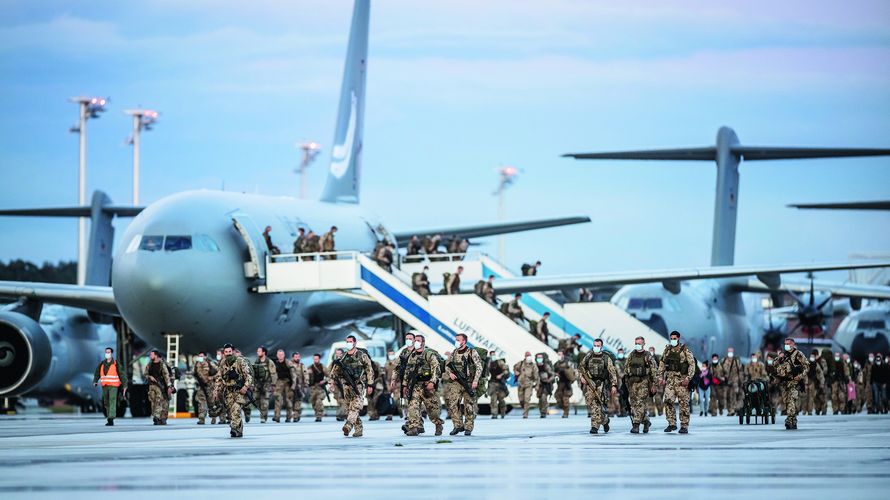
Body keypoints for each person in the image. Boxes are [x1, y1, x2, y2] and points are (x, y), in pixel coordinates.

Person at [328, 335, 374, 437]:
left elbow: (369, 370)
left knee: (356, 406)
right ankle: (359, 428)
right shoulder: (342, 357)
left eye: (350, 341)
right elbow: (334, 372)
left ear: (355, 343)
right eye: (347, 341)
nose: (349, 343)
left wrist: (370, 384)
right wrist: (331, 383)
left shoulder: (362, 356)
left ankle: (348, 425)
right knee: (349, 408)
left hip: (359, 386)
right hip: (346, 386)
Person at [402, 334, 445, 436]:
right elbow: (407, 371)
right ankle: (414, 428)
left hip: (427, 386)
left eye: (417, 340)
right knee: (413, 407)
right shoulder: (412, 355)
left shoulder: (429, 354)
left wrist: (432, 382)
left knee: (432, 410)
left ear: (423, 342)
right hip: (415, 386)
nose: (415, 342)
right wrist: (405, 385)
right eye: (415, 340)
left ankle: (438, 424)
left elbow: (436, 369)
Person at [657, 331, 695, 434]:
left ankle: (684, 425)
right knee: (668, 400)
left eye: (674, 338)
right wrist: (660, 377)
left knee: (684, 404)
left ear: (678, 338)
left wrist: (688, 378)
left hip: (682, 381)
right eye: (671, 338)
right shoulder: (667, 350)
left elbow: (692, 364)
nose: (673, 340)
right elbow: (662, 363)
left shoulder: (685, 350)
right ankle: (672, 423)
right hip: (670, 380)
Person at [444, 334, 483, 435]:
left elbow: (479, 366)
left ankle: (468, 427)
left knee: (469, 405)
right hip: (456, 382)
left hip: (469, 382)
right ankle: (458, 425)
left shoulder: (471, 352)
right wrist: (450, 373)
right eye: (456, 339)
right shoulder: (454, 352)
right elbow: (447, 365)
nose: (456, 341)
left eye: (458, 340)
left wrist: (475, 380)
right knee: (452, 404)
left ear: (464, 341)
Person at [578, 339, 618, 434]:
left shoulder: (606, 358)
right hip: (589, 384)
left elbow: (612, 372)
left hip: (601, 385)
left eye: (598, 345)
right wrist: (581, 377)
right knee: (592, 405)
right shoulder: (588, 356)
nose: (596, 347)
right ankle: (605, 421)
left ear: (601, 347)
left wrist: (614, 385)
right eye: (594, 345)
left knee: (597, 406)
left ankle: (594, 427)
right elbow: (581, 367)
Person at [214, 343, 254, 438]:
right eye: (226, 352)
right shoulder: (223, 363)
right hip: (228, 391)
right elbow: (219, 378)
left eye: (230, 351)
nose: (228, 353)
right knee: (231, 412)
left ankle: (234, 429)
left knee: (236, 410)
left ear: (233, 352)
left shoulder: (240, 361)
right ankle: (239, 431)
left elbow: (248, 376)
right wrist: (216, 390)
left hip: (239, 390)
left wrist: (245, 387)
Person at [773, 338, 809, 430]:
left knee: (791, 401)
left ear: (793, 344)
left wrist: (800, 376)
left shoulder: (798, 354)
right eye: (785, 344)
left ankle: (789, 420)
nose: (786, 345)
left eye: (788, 344)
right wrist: (779, 358)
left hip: (794, 382)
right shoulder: (783, 354)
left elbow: (807, 366)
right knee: (787, 402)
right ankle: (793, 421)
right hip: (784, 383)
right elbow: (774, 364)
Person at [625, 337, 658, 433]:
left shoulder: (647, 356)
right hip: (632, 383)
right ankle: (646, 421)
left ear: (644, 344)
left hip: (643, 382)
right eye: (636, 343)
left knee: (640, 403)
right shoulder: (632, 355)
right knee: (634, 405)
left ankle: (636, 425)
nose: (637, 345)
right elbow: (626, 368)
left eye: (639, 343)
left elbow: (654, 371)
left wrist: (654, 385)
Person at [92, 347, 128, 426]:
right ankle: (109, 416)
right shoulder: (102, 364)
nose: (107, 353)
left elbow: (121, 374)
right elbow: (97, 373)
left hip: (113, 386)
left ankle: (111, 418)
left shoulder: (115, 363)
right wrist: (95, 381)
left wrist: (125, 384)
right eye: (106, 352)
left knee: (112, 401)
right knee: (106, 402)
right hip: (105, 386)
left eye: (108, 352)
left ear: (111, 353)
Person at [144, 349, 173, 425]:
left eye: (152, 355)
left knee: (163, 402)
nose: (150, 356)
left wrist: (169, 386)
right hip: (152, 386)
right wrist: (150, 377)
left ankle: (161, 418)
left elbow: (166, 376)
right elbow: (145, 374)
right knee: (154, 401)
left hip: (162, 386)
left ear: (156, 356)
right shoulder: (149, 364)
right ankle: (157, 417)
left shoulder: (162, 365)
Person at [251, 346, 277, 423]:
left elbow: (273, 374)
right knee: (257, 400)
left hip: (266, 384)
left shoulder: (269, 362)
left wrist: (273, 384)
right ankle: (262, 413)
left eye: (259, 351)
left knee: (264, 402)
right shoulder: (257, 361)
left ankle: (263, 417)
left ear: (263, 352)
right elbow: (254, 373)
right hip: (258, 384)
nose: (257, 352)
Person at [271, 349, 296, 423]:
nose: (280, 356)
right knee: (278, 399)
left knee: (288, 401)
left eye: (281, 355)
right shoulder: (275, 363)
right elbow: (273, 374)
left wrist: (293, 384)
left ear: (284, 355)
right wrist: (273, 384)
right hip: (279, 382)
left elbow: (293, 374)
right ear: (277, 355)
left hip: (288, 383)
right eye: (279, 355)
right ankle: (277, 417)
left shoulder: (288, 363)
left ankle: (288, 417)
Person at [193, 351, 217, 425]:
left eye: (202, 356)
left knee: (211, 403)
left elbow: (219, 372)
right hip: (201, 386)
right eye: (199, 356)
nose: (201, 358)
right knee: (201, 402)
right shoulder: (196, 364)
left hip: (210, 386)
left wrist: (212, 378)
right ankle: (201, 418)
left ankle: (213, 417)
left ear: (205, 357)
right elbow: (194, 373)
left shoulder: (210, 363)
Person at [513, 351, 538, 418]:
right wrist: (516, 372)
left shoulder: (533, 365)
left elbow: (536, 376)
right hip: (520, 384)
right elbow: (515, 367)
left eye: (529, 355)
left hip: (529, 384)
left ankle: (525, 414)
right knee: (521, 400)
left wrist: (536, 384)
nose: (528, 357)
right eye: (527, 355)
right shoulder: (521, 363)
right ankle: (524, 408)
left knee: (527, 399)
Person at [721, 347, 744, 416]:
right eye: (729, 351)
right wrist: (721, 377)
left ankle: (735, 409)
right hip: (727, 381)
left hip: (735, 381)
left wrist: (741, 381)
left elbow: (740, 371)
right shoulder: (723, 360)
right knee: (728, 396)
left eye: (731, 351)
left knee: (735, 395)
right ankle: (730, 410)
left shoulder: (736, 361)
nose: (730, 353)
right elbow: (720, 370)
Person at [553, 351, 575, 418]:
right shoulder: (556, 364)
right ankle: (564, 408)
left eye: (560, 354)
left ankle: (566, 413)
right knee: (557, 397)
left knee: (565, 398)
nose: (559, 355)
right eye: (558, 354)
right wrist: (556, 375)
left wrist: (565, 371)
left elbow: (572, 373)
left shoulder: (567, 363)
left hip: (567, 383)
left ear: (563, 355)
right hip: (560, 384)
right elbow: (554, 372)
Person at [487, 353, 509, 419]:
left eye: (494, 354)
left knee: (501, 399)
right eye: (491, 355)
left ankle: (503, 412)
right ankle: (494, 414)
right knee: (493, 399)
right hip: (492, 383)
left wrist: (501, 375)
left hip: (500, 384)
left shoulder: (500, 362)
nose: (493, 356)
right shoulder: (489, 363)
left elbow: (506, 371)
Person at [308, 353, 328, 422]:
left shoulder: (323, 367)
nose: (315, 360)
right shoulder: (310, 367)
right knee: (313, 403)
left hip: (320, 387)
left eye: (317, 359)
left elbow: (329, 376)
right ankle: (317, 413)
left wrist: (324, 381)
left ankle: (319, 415)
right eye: (314, 359)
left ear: (319, 359)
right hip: (312, 388)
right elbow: (306, 377)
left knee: (318, 401)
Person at [534, 353, 555, 418]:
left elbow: (552, 375)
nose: (539, 359)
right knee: (540, 399)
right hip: (539, 385)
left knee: (543, 397)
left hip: (546, 385)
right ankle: (542, 411)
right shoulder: (535, 366)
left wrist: (548, 380)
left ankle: (543, 412)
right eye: (538, 358)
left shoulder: (546, 366)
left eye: (540, 358)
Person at [290, 352, 308, 422]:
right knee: (291, 402)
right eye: (296, 357)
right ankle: (295, 414)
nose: (297, 358)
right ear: (293, 358)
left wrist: (306, 384)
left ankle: (296, 416)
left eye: (298, 357)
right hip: (291, 386)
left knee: (298, 401)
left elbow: (306, 375)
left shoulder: (302, 366)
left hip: (300, 387)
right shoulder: (290, 365)